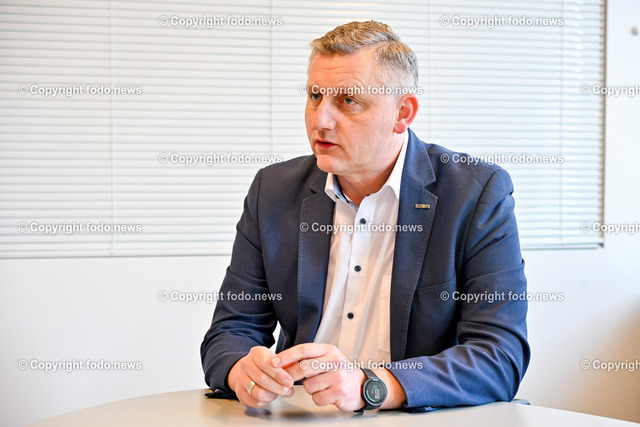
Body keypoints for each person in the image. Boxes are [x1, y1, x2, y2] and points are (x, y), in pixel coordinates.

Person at [201, 20, 529, 413]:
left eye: (348, 101)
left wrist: (372, 385)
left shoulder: (475, 193)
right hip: (303, 415)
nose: (320, 120)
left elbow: (499, 356)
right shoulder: (273, 191)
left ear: (402, 112)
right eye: (315, 96)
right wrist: (242, 369)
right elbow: (230, 331)